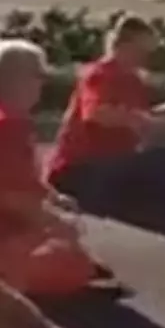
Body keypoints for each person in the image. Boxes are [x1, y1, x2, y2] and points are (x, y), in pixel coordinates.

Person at [43, 16, 165, 217]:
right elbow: (97, 114)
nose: (145, 58)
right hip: (81, 168)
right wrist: (136, 119)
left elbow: (149, 116)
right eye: (141, 51)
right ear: (123, 45)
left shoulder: (132, 80)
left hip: (111, 163)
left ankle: (163, 193)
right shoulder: (100, 75)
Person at [0, 40, 107, 300]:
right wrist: (53, 221)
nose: (43, 84)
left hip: (16, 223)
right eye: (39, 76)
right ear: (16, 79)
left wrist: (53, 196)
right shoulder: (8, 128)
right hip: (9, 230)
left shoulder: (16, 123)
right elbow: (9, 195)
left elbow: (25, 180)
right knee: (72, 265)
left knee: (72, 255)